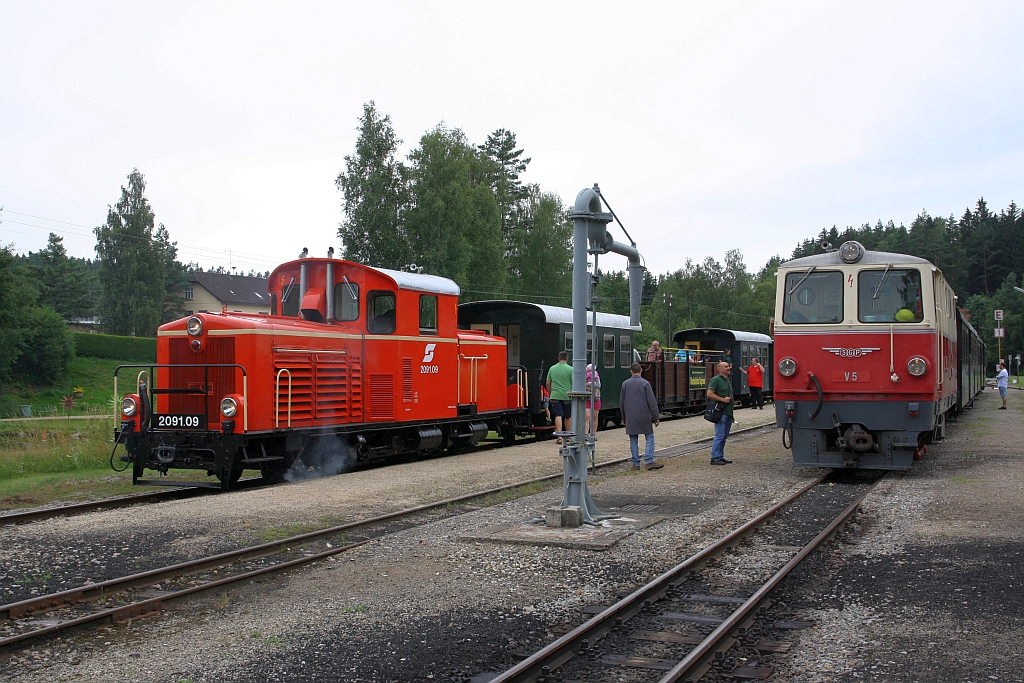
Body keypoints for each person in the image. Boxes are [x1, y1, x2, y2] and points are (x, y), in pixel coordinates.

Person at [620, 362, 663, 470]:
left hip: (630, 415)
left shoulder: (625, 384)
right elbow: (651, 401)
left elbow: (621, 402)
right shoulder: (645, 383)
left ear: (631, 371)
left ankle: (636, 464)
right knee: (649, 437)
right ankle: (649, 461)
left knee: (633, 439)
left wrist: (623, 417)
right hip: (644, 414)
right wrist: (656, 416)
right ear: (641, 370)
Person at [707, 361, 734, 465]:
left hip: (727, 412)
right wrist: (723, 400)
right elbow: (709, 394)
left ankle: (720, 456)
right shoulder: (716, 380)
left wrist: (732, 415)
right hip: (720, 412)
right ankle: (714, 457)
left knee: (724, 435)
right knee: (720, 435)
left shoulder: (727, 381)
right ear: (720, 369)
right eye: (726, 367)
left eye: (728, 366)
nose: (729, 368)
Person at [546, 351, 573, 443]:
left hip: (555, 395)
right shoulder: (570, 369)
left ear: (558, 358)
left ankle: (559, 437)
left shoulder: (552, 368)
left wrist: (550, 393)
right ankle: (568, 436)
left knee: (558, 415)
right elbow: (573, 382)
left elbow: (548, 383)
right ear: (567, 359)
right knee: (568, 416)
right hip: (567, 396)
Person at [585, 363, 602, 436]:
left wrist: (588, 384)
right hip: (587, 398)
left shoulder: (596, 376)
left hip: (596, 398)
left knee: (595, 417)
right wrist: (592, 386)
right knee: (587, 417)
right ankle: (586, 433)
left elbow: (598, 385)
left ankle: (593, 434)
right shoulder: (585, 376)